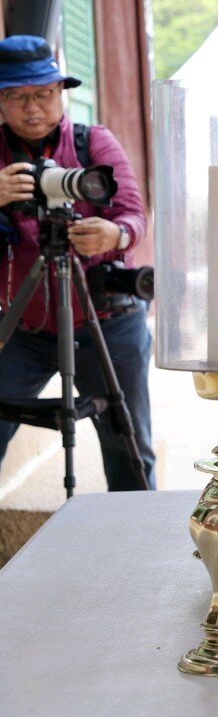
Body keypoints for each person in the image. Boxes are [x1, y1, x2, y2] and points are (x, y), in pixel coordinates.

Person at [0, 35, 154, 490]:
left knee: (128, 446)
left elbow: (134, 215)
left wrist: (114, 234)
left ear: (60, 92)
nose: (33, 108)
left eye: (44, 94)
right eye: (17, 96)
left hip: (105, 321)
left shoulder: (93, 142)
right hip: (22, 326)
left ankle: (137, 533)